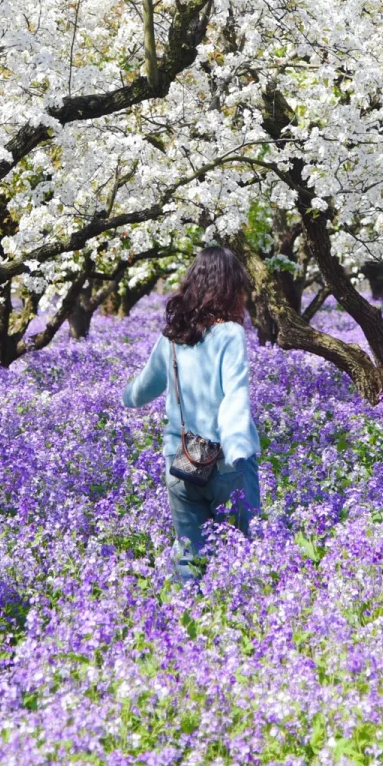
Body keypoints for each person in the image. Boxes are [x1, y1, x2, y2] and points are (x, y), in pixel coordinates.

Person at [121, 245, 261, 581]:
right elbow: (235, 395)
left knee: (188, 559)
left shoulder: (173, 336)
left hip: (181, 460)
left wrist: (123, 397)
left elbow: (143, 389)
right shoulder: (230, 334)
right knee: (242, 555)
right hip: (227, 463)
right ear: (230, 288)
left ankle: (188, 623)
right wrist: (239, 446)